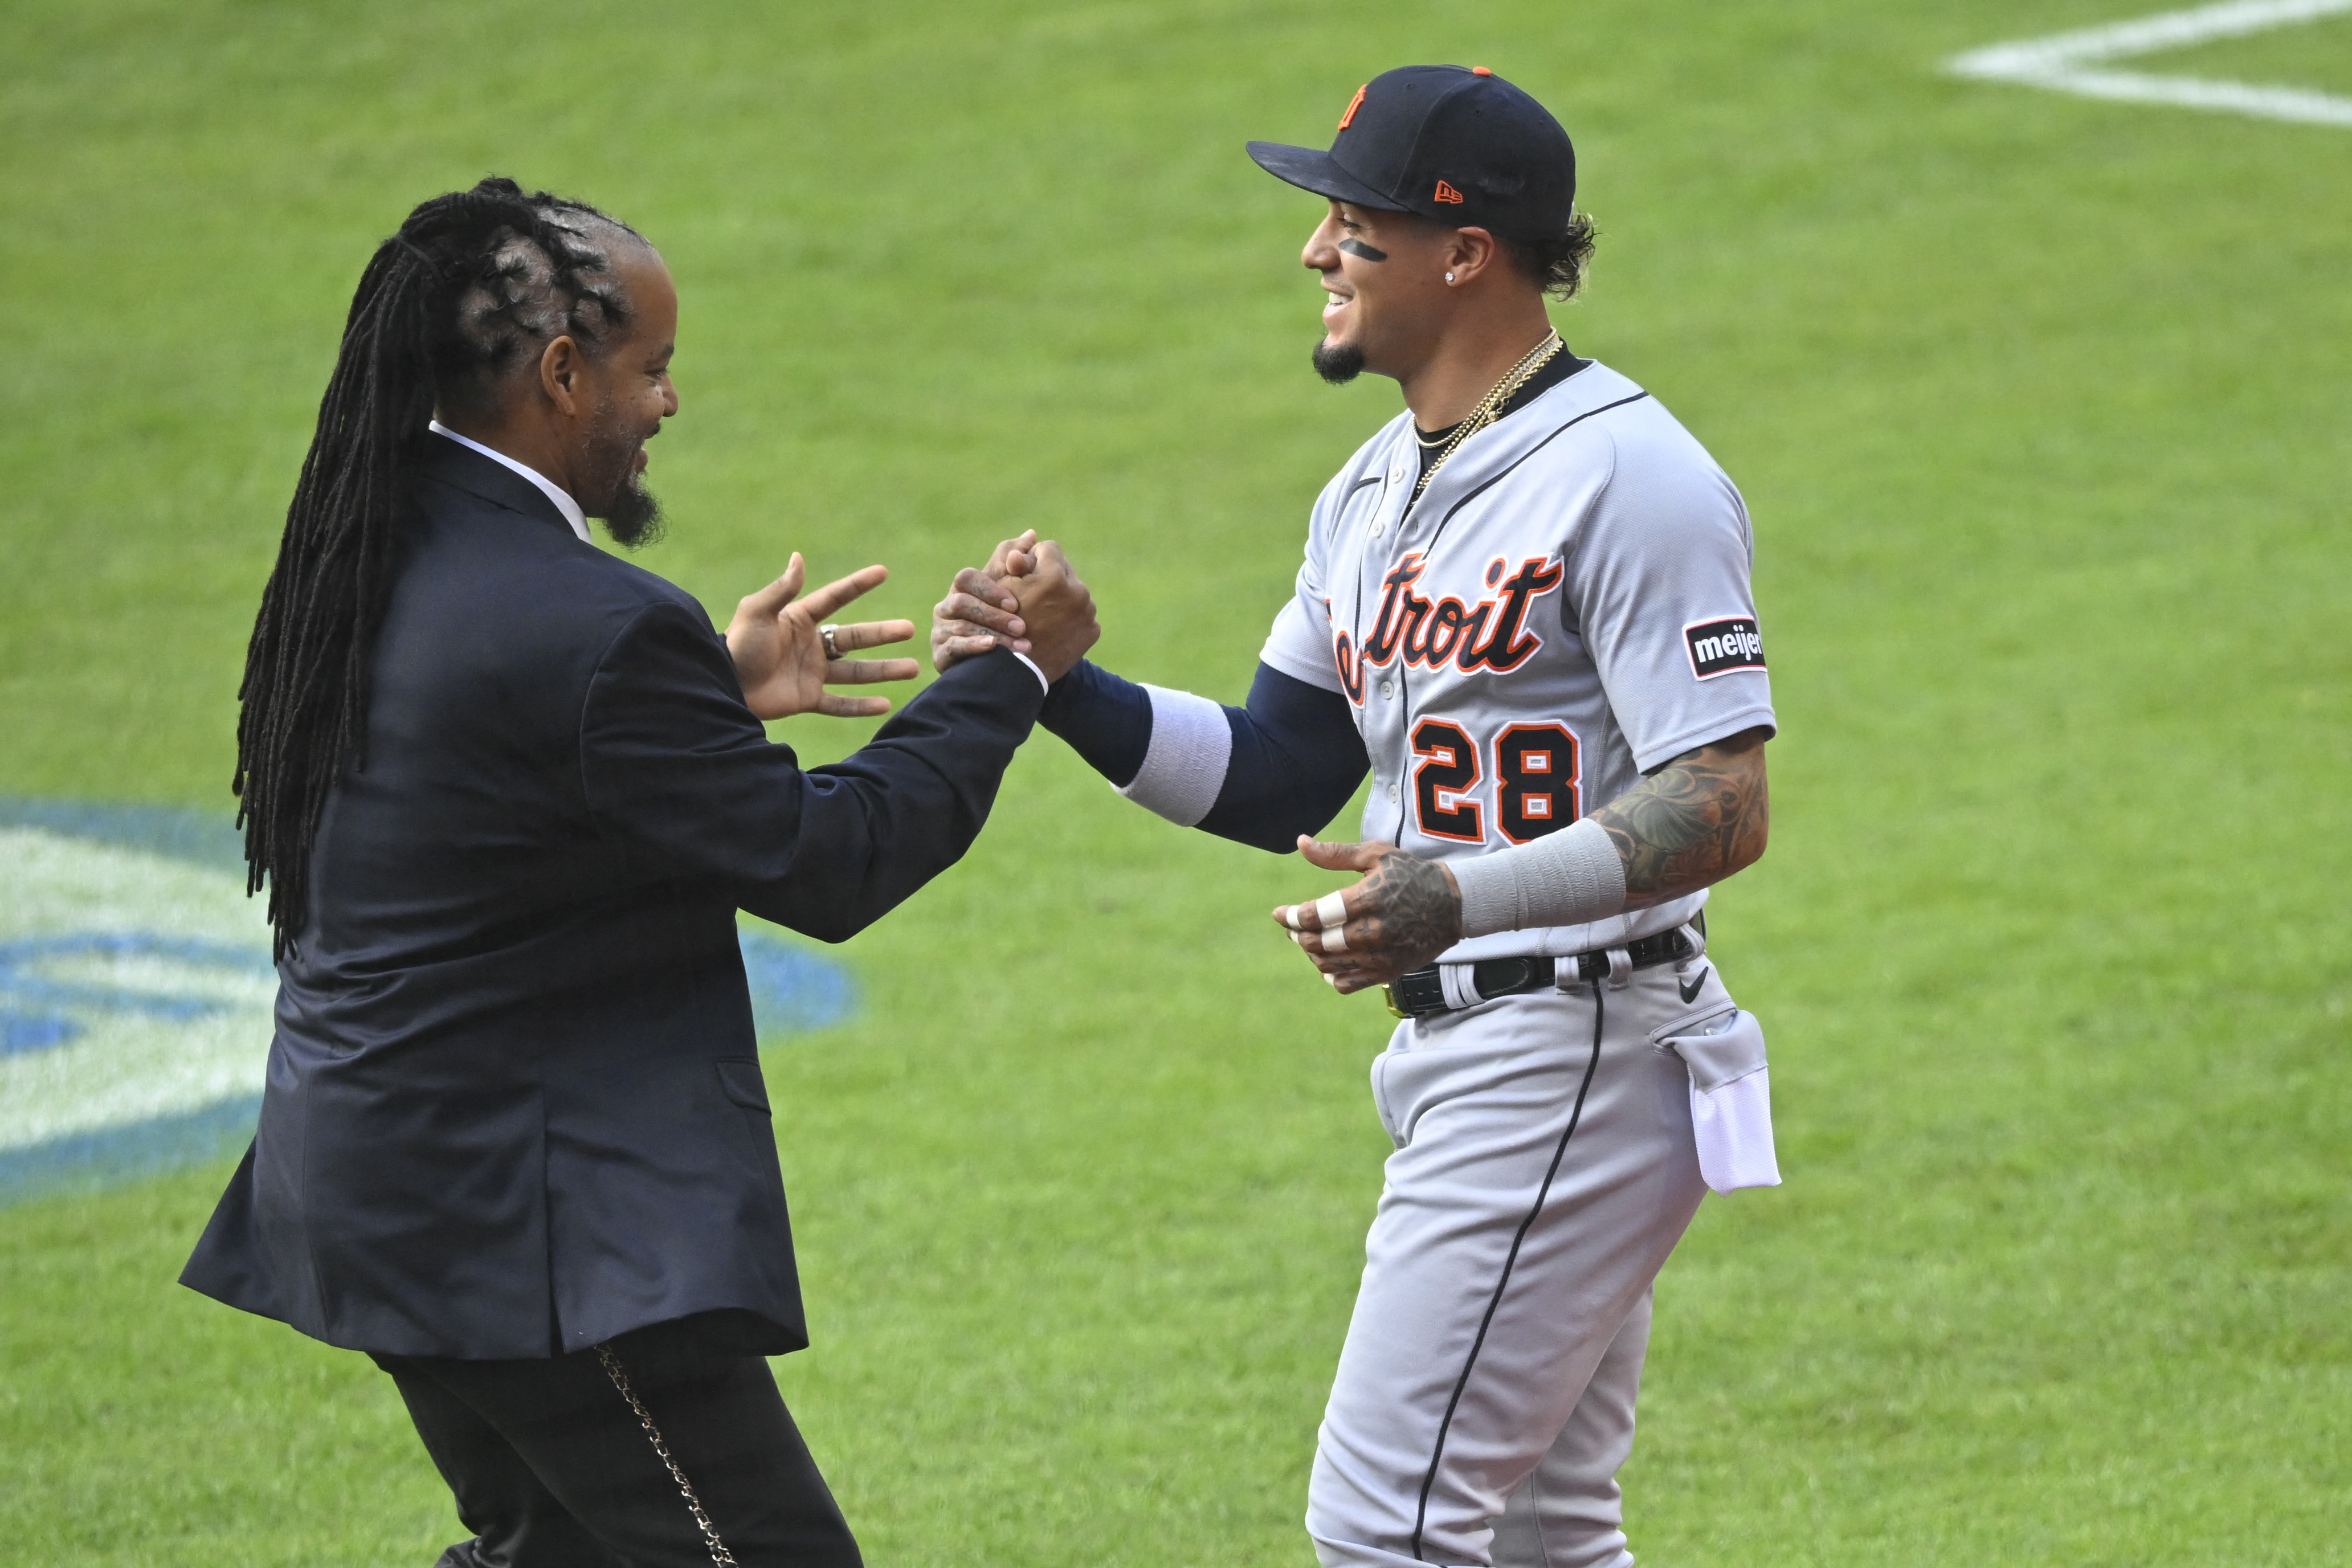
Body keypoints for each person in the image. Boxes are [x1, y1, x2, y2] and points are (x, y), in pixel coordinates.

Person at [179, 177, 1097, 1568]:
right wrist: (1010, 672)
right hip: (529, 1237)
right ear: (561, 373)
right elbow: (830, 860)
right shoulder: (596, 628)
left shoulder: (364, 549)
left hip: (386, 1186)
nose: (668, 403)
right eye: (651, 367)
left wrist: (707, 707)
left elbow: (495, 781)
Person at [937, 67, 1781, 1568]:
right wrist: (1065, 680)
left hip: (1577, 1043)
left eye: (1351, 223)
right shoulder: (1369, 494)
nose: (1315, 254)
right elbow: (1276, 771)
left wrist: (1460, 900)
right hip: (1485, 1047)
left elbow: (1721, 803)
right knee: (1540, 1532)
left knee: (1384, 1527)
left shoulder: (1634, 478)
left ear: (1464, 252)